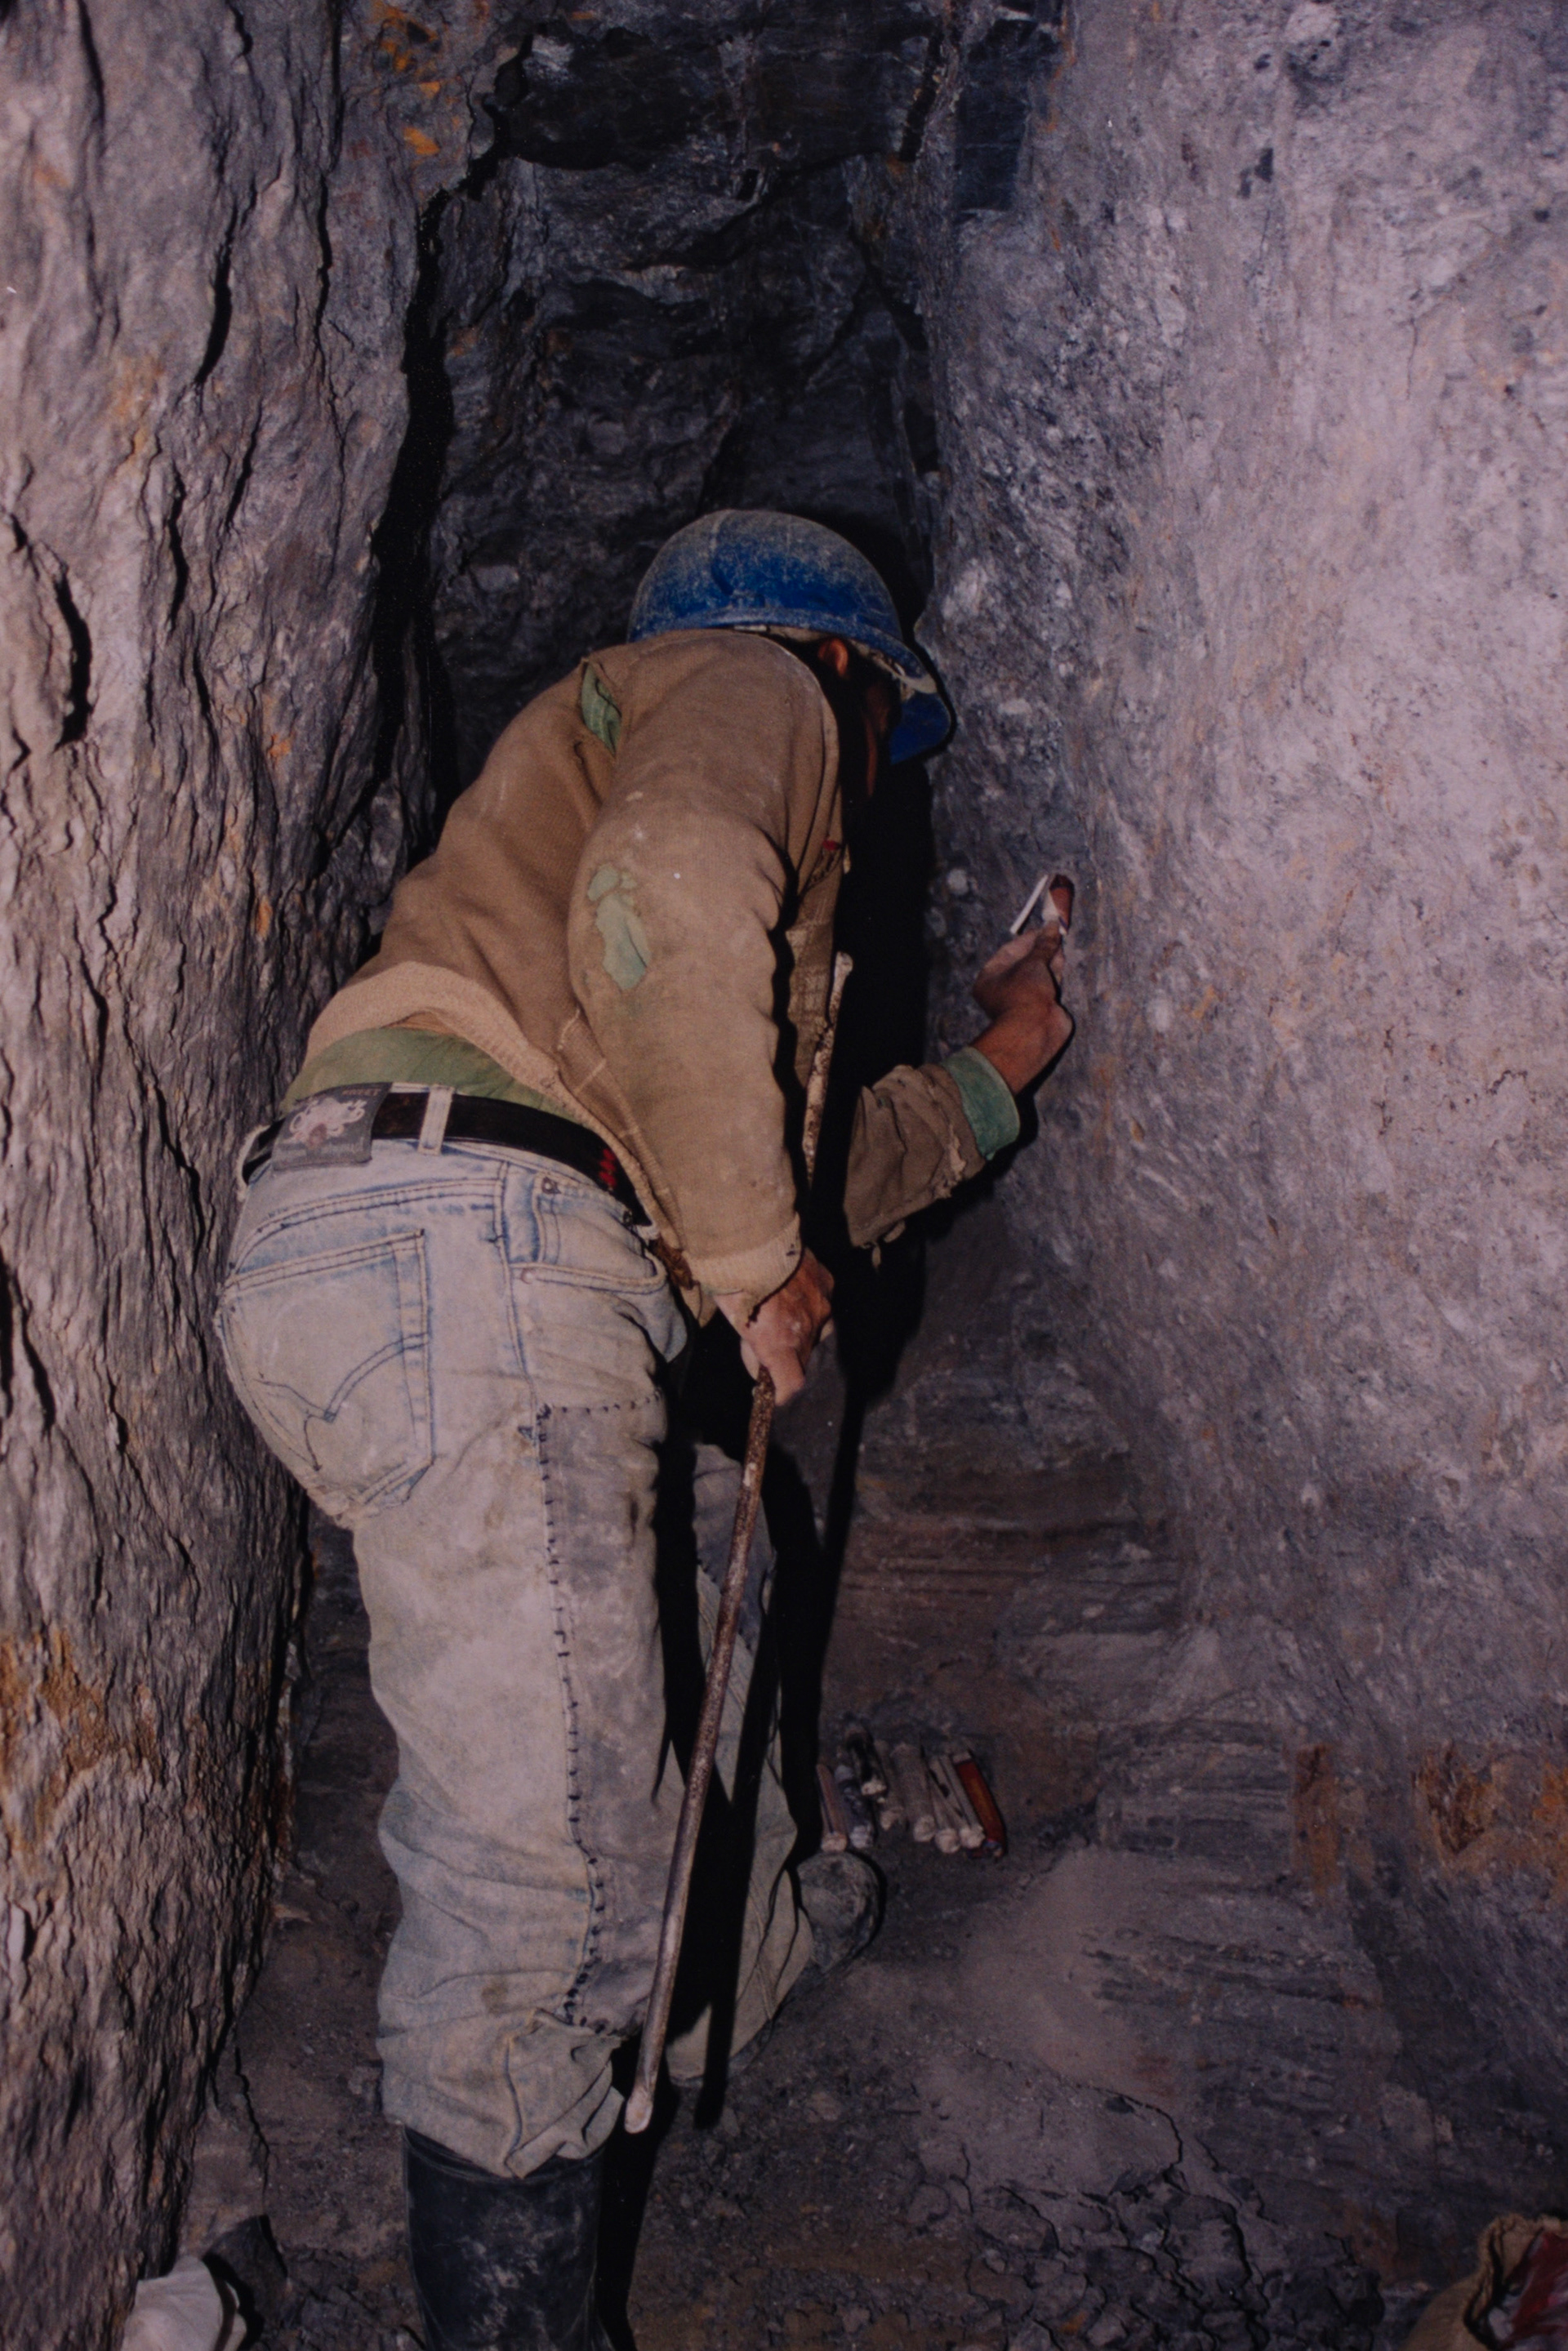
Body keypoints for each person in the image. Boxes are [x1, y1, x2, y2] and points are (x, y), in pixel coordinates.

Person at [216, 510, 1072, 2350]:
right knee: (547, 1887)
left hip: (411, 1253)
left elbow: (792, 1144)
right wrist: (757, 1268)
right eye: (877, 734)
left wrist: (1003, 1067)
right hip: (482, 1250)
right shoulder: (748, 684)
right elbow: (678, 882)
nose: (867, 783)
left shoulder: (582, 927)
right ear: (846, 670)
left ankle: (724, 1970)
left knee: (716, 1558)